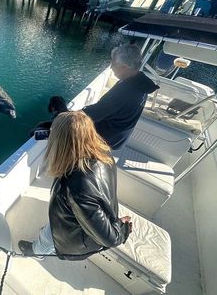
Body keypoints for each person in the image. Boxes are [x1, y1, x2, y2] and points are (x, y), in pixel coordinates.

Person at [18, 111, 132, 260]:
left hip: (74, 232)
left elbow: (110, 238)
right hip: (87, 215)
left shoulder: (76, 187)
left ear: (61, 142)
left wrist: (120, 228)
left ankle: (36, 252)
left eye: (54, 135)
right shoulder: (104, 154)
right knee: (48, 233)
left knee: (47, 237)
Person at [83, 44, 159, 150]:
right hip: (119, 138)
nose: (111, 67)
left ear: (125, 66)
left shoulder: (125, 91)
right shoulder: (141, 82)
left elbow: (93, 113)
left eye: (113, 63)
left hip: (104, 140)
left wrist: (63, 114)